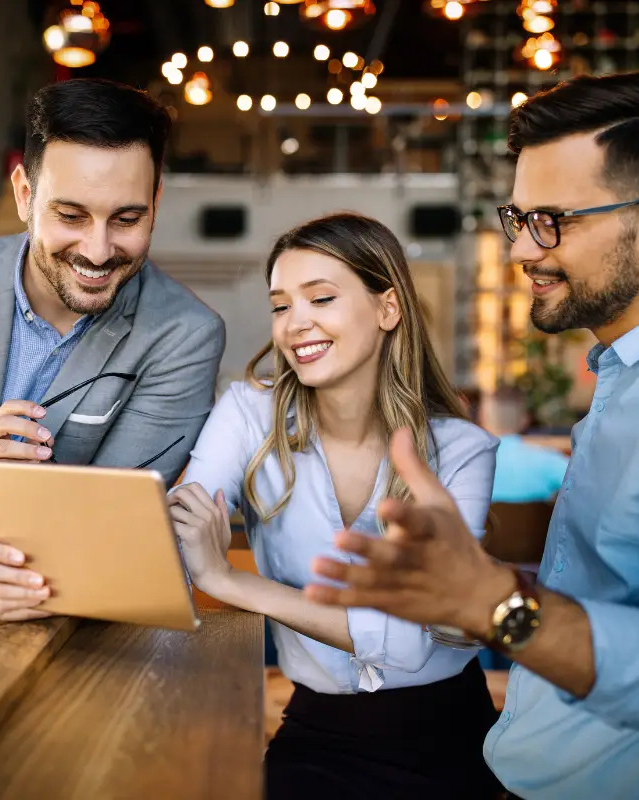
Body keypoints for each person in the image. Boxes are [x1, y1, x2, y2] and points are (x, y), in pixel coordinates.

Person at [305, 71, 639, 799]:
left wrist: (498, 604)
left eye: (553, 221)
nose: (520, 252)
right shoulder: (631, 371)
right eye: (519, 219)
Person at [168, 212, 503, 799]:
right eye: (280, 306)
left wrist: (229, 581)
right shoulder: (249, 413)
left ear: (387, 308)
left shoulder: (461, 450)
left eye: (320, 298)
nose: (296, 323)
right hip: (319, 725)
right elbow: (183, 521)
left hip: (451, 733)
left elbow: (404, 643)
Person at [0, 78, 225, 656]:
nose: (97, 251)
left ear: (157, 203)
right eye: (70, 215)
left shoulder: (185, 336)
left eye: (126, 219)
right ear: (23, 194)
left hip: (33, 639)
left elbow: (102, 537)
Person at [478, 386, 568, 504]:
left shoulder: (466, 463)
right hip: (538, 522)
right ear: (524, 420)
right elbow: (587, 490)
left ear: (482, 417)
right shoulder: (551, 460)